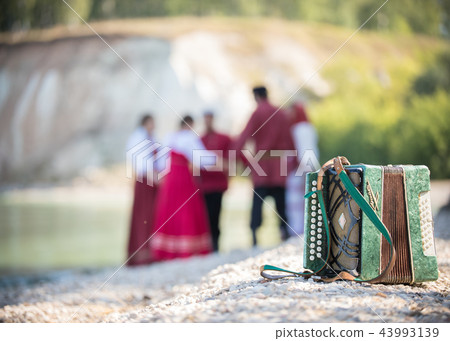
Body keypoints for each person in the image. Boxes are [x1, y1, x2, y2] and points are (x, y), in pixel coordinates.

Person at [234, 86, 295, 246]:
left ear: (256, 96)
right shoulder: (281, 113)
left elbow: (244, 136)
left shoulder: (257, 113)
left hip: (261, 164)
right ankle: (285, 231)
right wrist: (295, 160)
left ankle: (254, 236)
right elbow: (290, 139)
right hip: (278, 165)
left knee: (257, 201)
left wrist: (235, 156)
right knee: (280, 199)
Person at [150, 115, 216, 261]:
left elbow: (161, 162)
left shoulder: (169, 137)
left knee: (170, 211)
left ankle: (169, 250)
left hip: (170, 180)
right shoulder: (189, 137)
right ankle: (187, 250)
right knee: (186, 210)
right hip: (184, 178)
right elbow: (201, 158)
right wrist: (216, 159)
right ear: (189, 125)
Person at [126, 114, 158, 266]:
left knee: (150, 215)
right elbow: (142, 164)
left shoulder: (149, 137)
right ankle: (141, 254)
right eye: (152, 122)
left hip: (150, 180)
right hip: (145, 180)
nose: (154, 125)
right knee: (143, 215)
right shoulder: (138, 138)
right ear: (146, 123)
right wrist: (154, 178)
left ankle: (149, 251)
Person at [200, 111, 232, 252]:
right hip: (204, 186)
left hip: (218, 184)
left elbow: (230, 159)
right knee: (206, 215)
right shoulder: (200, 139)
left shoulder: (223, 138)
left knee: (216, 214)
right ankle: (208, 244)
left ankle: (216, 244)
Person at [285, 102, 319, 236]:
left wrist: (303, 169)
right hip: (302, 167)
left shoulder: (301, 128)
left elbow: (306, 150)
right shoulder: (307, 127)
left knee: (297, 200)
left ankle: (298, 230)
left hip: (302, 168)